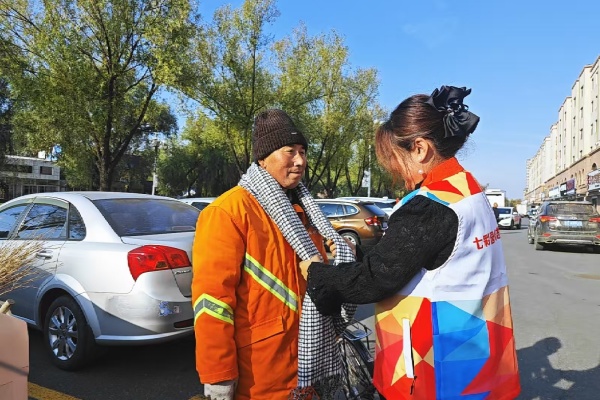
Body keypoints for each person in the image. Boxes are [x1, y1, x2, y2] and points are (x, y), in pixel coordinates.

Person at [300, 86, 521, 399]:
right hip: (477, 355)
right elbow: (413, 261)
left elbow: (374, 281)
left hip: (434, 366)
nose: (392, 170)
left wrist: (317, 273)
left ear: (419, 149)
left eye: (394, 158)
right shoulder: (468, 190)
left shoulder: (428, 207)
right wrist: (358, 254)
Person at [191, 109, 354, 400]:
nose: (300, 161)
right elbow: (212, 302)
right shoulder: (228, 212)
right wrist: (219, 375)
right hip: (260, 374)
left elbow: (312, 280)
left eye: (303, 151)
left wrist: (342, 258)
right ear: (263, 159)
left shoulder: (305, 211)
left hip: (307, 368)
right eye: (290, 151)